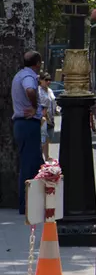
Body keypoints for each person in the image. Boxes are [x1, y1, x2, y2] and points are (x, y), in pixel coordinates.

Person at [12, 51, 45, 215]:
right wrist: (34, 107)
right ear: (37, 63)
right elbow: (30, 90)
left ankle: (35, 201)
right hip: (28, 124)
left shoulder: (20, 74)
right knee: (29, 164)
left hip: (22, 124)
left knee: (35, 162)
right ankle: (26, 204)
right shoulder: (29, 76)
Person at [38, 72, 56, 160]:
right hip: (43, 118)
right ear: (41, 81)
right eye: (46, 80)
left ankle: (46, 156)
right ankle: (41, 157)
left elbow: (53, 101)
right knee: (43, 139)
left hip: (51, 118)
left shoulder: (50, 90)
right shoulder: (38, 91)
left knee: (49, 137)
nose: (48, 82)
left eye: (49, 80)